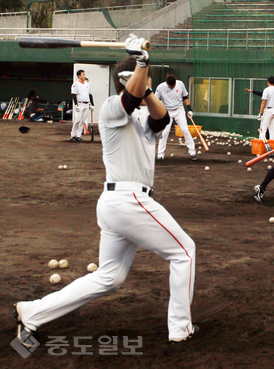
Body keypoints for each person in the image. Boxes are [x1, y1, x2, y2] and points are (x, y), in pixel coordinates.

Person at [14, 34, 198, 346]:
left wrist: (143, 70)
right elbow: (129, 98)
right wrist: (141, 65)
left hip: (120, 204)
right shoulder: (113, 108)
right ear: (128, 82)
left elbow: (162, 117)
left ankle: (32, 312)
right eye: (145, 80)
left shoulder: (145, 113)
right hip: (128, 200)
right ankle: (181, 328)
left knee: (109, 277)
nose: (147, 86)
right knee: (184, 252)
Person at [155, 74, 196, 160]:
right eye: (171, 86)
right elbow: (155, 100)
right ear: (167, 83)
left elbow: (185, 97)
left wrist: (189, 109)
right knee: (165, 132)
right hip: (166, 111)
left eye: (173, 86)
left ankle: (192, 152)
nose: (172, 87)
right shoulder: (161, 87)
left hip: (179, 110)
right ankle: (160, 154)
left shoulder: (180, 84)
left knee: (185, 130)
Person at [245, 76, 274, 140]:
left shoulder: (267, 90)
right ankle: (272, 144)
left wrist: (260, 113)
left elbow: (264, 103)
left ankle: (261, 144)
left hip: (268, 110)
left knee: (262, 128)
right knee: (272, 129)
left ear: (268, 82)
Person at [69, 69, 94, 142]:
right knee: (77, 120)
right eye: (83, 74)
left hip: (87, 104)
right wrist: (76, 105)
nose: (84, 76)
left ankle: (78, 135)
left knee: (82, 121)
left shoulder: (87, 84)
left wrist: (92, 104)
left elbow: (90, 95)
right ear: (79, 76)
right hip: (80, 103)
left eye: (84, 74)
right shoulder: (75, 84)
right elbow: (74, 95)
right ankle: (73, 134)